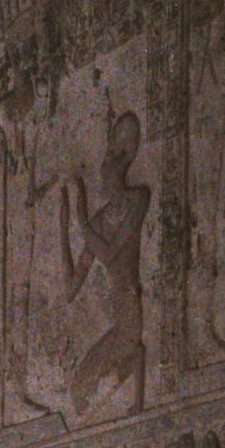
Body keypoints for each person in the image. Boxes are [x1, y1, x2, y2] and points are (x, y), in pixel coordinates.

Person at [62, 112, 151, 415]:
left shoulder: (137, 199)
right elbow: (72, 288)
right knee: (82, 382)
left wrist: (82, 221)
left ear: (120, 167)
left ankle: (134, 401)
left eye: (108, 169)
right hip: (119, 306)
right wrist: (64, 232)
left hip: (128, 300)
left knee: (92, 376)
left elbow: (111, 254)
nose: (104, 178)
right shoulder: (98, 221)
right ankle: (129, 401)